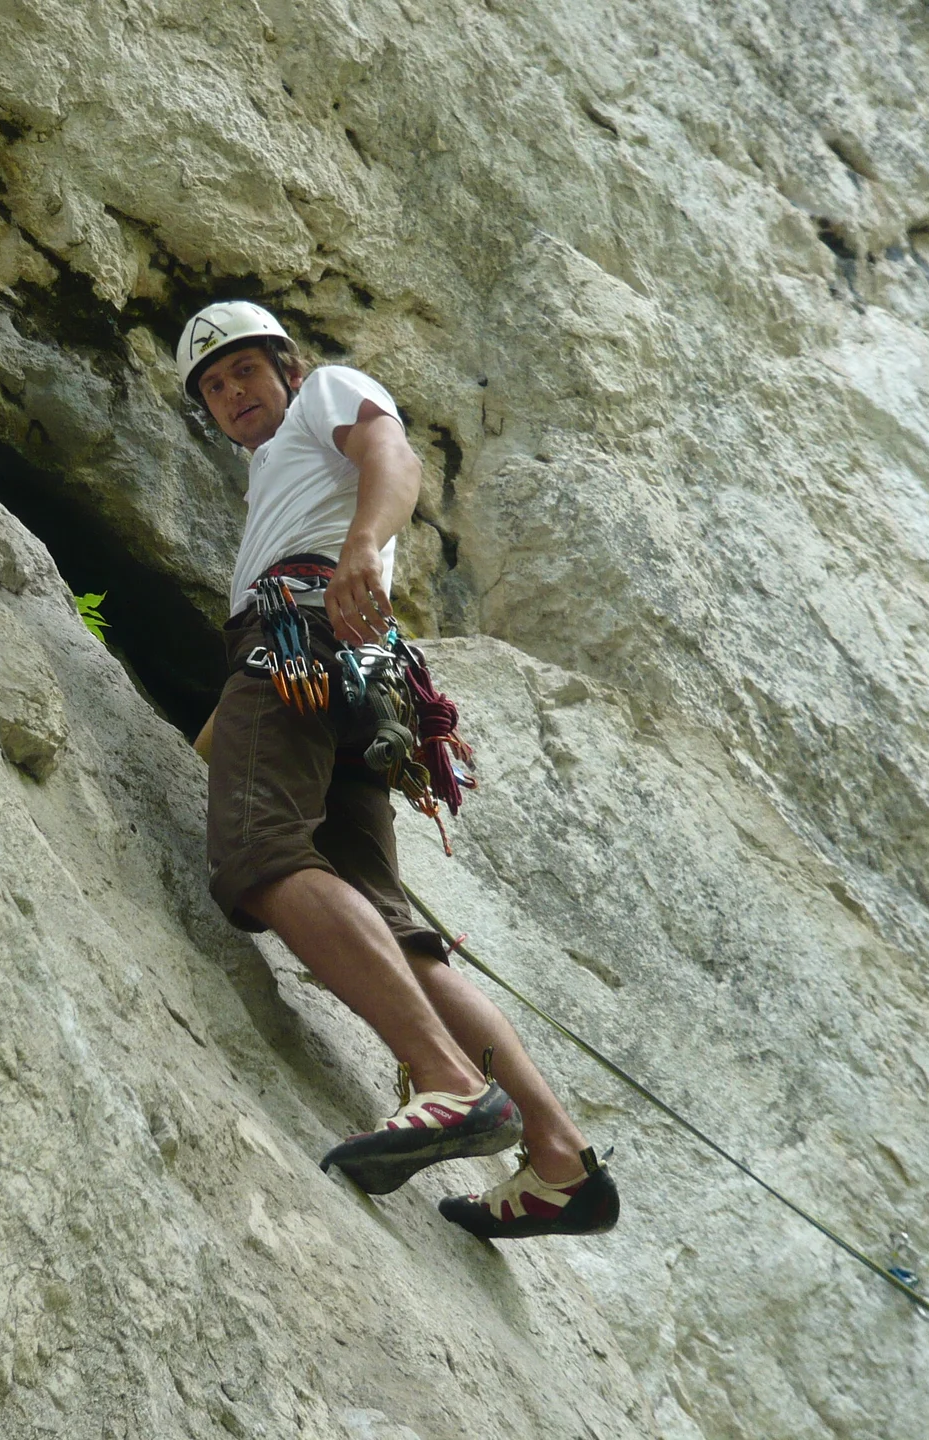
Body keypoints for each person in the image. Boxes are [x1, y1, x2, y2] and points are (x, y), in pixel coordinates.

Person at [180, 300, 617, 1239]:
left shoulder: (326, 397)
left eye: (245, 371)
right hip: (346, 667)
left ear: (287, 370)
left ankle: (451, 1083)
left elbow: (395, 458)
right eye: (214, 388)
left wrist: (360, 553)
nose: (232, 394)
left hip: (302, 629)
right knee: (391, 924)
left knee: (261, 848)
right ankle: (557, 1159)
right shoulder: (279, 474)